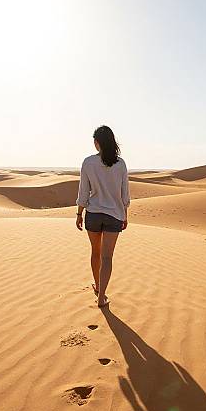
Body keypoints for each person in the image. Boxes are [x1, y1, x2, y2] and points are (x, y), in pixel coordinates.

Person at [75, 125, 130, 308]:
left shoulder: (88, 162)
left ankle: (98, 287)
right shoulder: (120, 164)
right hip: (114, 215)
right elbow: (124, 194)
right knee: (107, 258)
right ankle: (102, 296)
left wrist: (79, 213)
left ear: (97, 142)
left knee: (95, 253)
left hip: (94, 214)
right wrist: (125, 215)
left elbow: (83, 192)